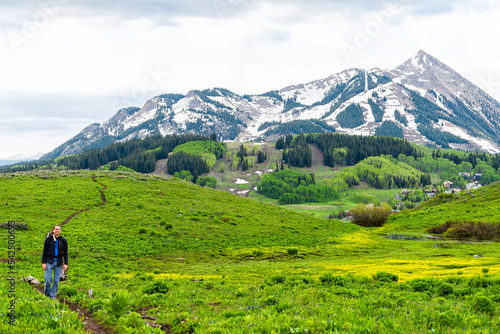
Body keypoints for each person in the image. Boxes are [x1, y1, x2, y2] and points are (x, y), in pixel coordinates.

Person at [41, 225, 68, 300]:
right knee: (48, 279)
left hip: (58, 262)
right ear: (53, 230)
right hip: (49, 261)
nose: (57, 230)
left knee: (56, 280)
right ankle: (46, 293)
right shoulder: (48, 240)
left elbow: (65, 252)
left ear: (60, 231)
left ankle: (52, 295)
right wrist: (43, 262)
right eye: (56, 229)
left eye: (59, 229)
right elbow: (44, 251)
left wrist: (66, 263)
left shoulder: (63, 240)